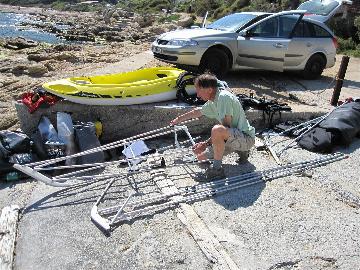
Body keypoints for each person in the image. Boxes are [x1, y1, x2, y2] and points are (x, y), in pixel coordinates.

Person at [170, 73, 255, 181]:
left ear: (209, 89)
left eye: (199, 91)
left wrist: (205, 144)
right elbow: (197, 112)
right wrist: (178, 119)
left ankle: (217, 170)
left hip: (246, 138)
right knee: (200, 157)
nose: (197, 95)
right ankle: (241, 151)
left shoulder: (224, 97)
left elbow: (224, 129)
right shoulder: (213, 100)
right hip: (233, 137)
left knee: (217, 130)